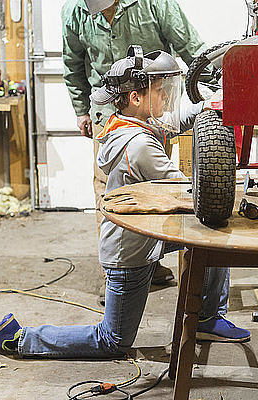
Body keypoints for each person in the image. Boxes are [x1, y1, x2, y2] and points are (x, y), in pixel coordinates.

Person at [0, 48, 250, 358]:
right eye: (160, 91)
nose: (166, 98)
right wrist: (237, 190)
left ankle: (206, 318)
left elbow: (174, 121)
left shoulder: (128, 122)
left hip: (146, 238)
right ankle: (19, 337)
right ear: (136, 97)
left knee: (213, 241)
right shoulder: (139, 144)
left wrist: (209, 105)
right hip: (129, 253)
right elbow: (188, 191)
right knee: (111, 341)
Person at [61, 0, 207, 284]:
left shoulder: (156, 4)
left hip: (153, 110)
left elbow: (191, 47)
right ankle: (116, 273)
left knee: (154, 190)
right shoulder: (74, 11)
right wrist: (81, 110)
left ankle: (148, 262)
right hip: (107, 115)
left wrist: (215, 92)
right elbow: (73, 64)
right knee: (109, 193)